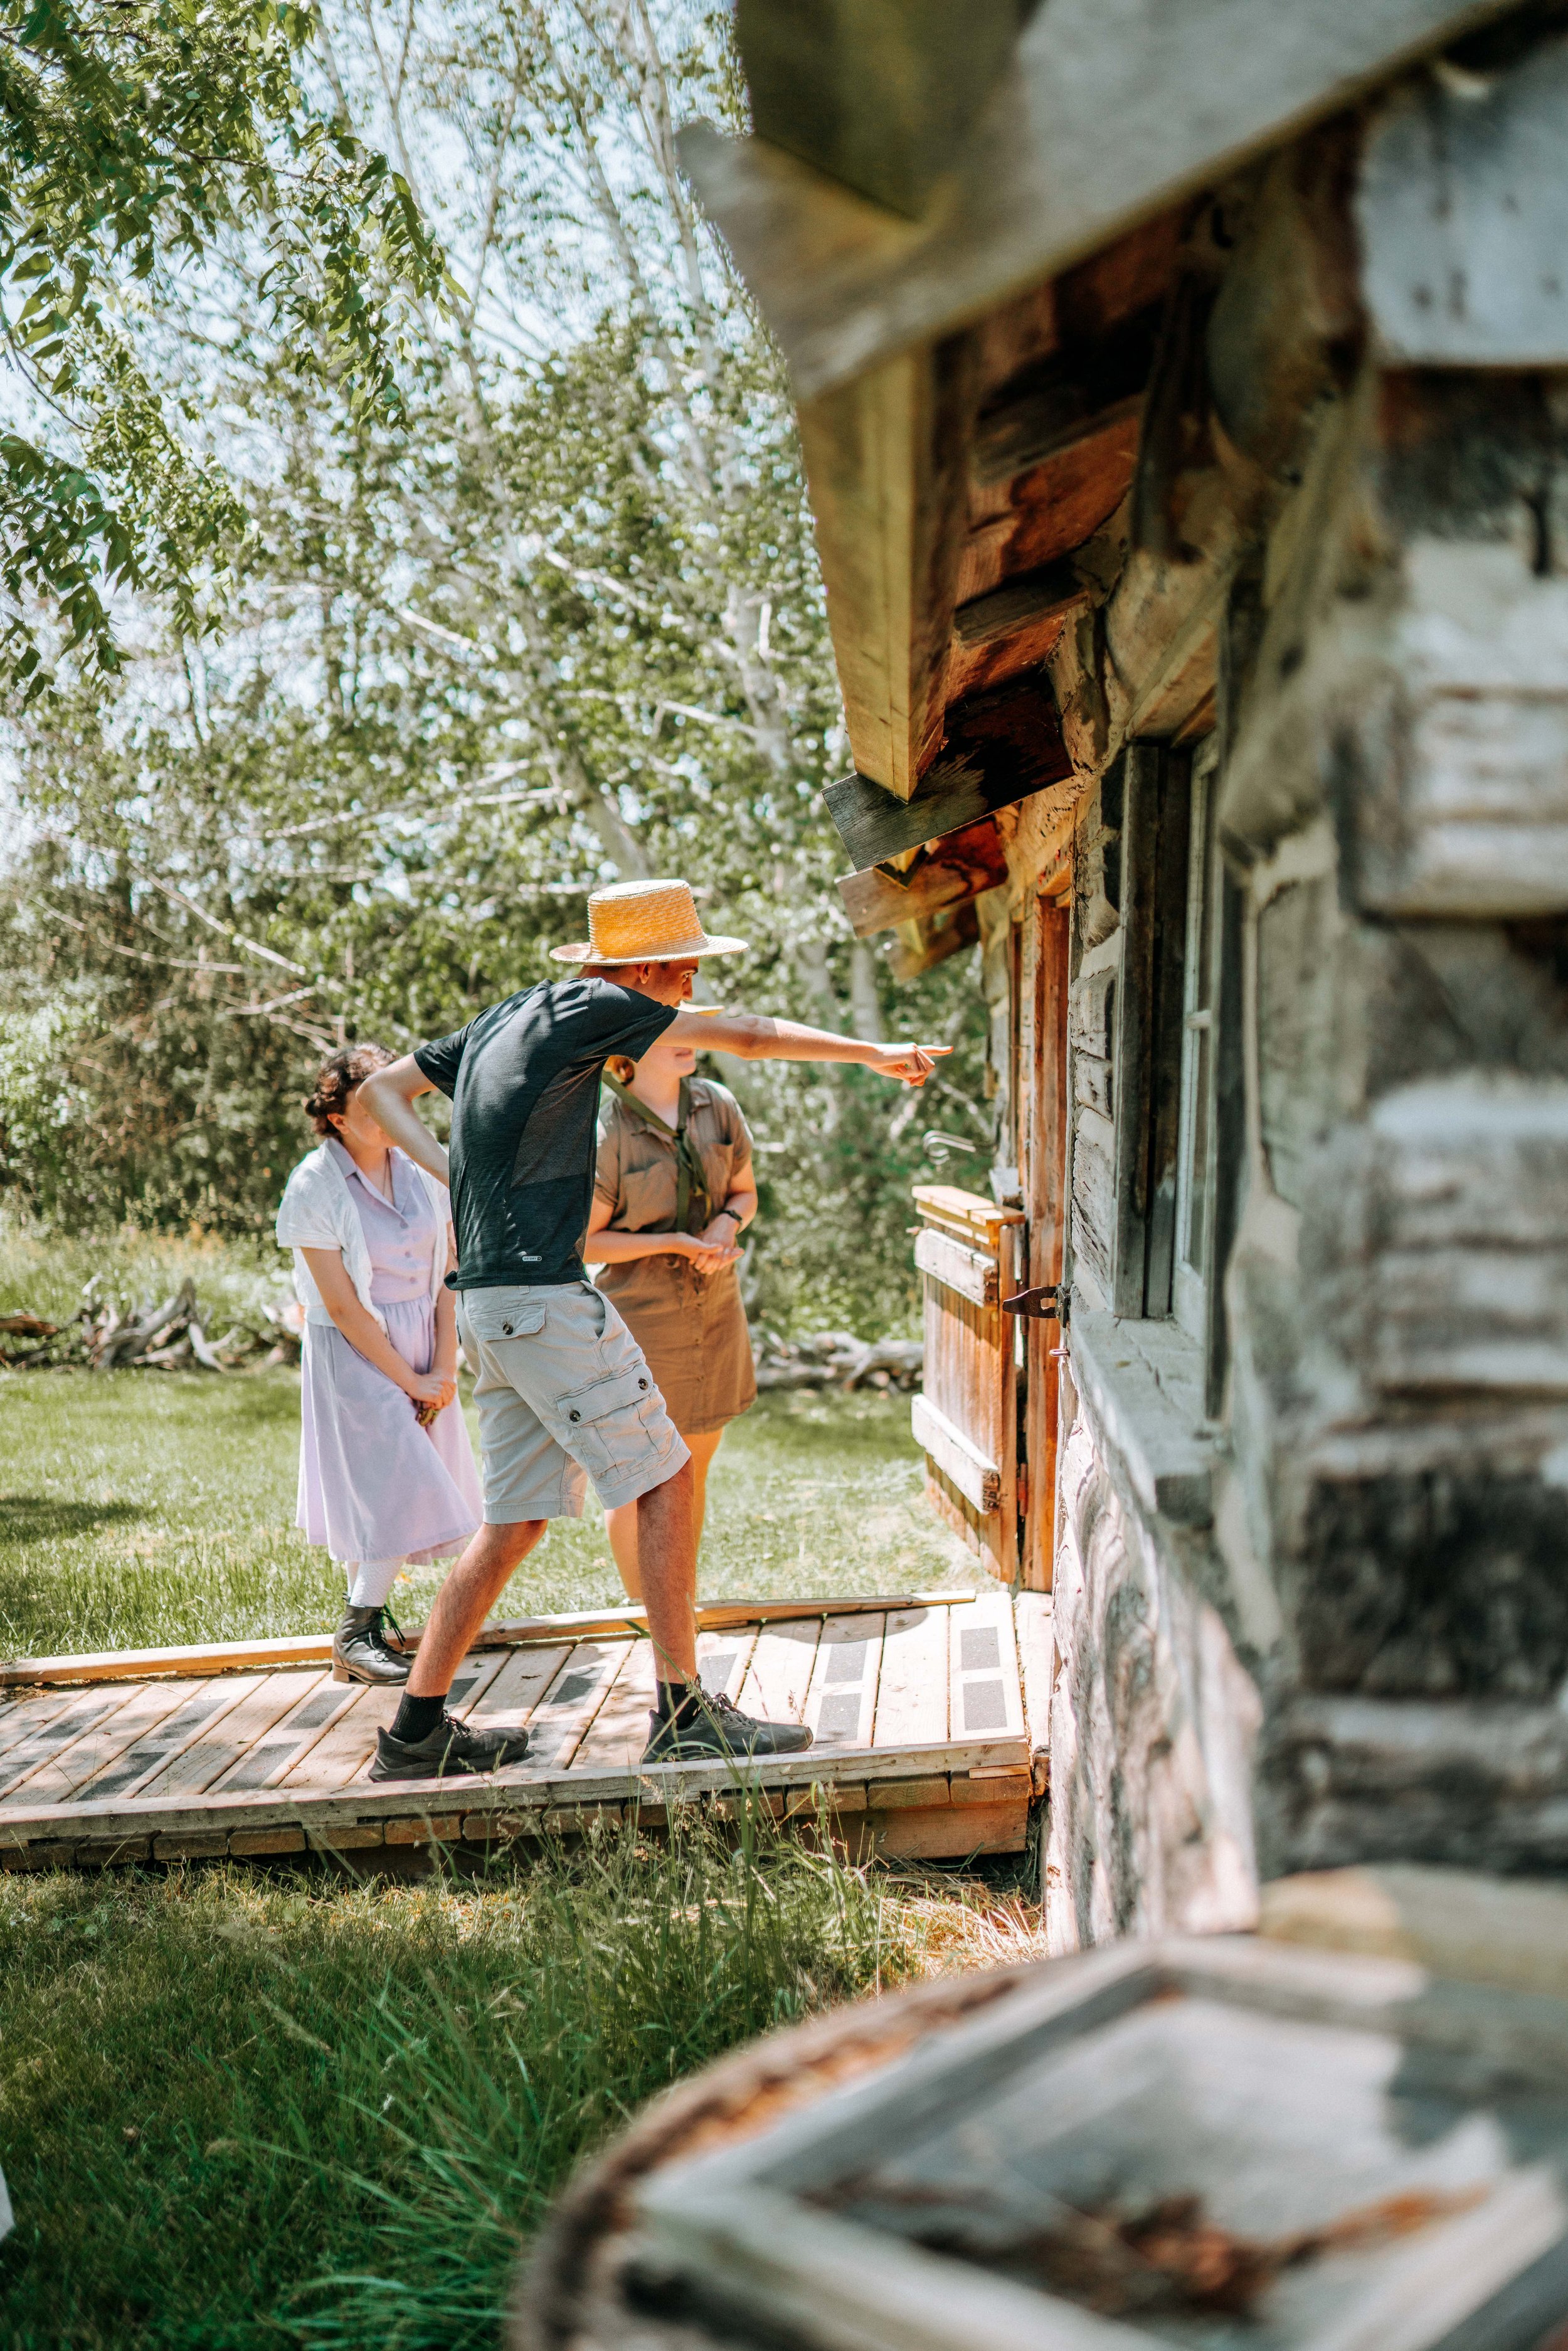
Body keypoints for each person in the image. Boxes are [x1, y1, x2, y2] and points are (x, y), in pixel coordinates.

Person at [359, 876, 946, 1781]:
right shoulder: (610, 1005)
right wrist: (874, 1052)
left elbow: (387, 1090)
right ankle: (683, 1714)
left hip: (486, 1301)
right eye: (684, 976)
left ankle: (414, 1733)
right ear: (655, 968)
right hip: (546, 1298)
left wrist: (454, 1175)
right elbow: (745, 1034)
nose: (685, 996)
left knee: (513, 1523)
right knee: (667, 1476)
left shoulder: (511, 1015)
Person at [275, 1044, 483, 1686]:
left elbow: (450, 1270)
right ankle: (355, 1631)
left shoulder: (419, 1170)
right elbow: (340, 1305)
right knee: (398, 1481)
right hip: (355, 1349)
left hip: (422, 1336)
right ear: (336, 1116)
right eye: (375, 1104)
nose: (396, 1115)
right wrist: (407, 1378)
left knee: (388, 1489)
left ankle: (363, 1642)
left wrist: (442, 1368)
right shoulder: (314, 1182)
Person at [585, 1031, 757, 1596]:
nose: (694, 1041)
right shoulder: (608, 1131)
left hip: (715, 1311)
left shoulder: (718, 1104)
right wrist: (677, 1244)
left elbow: (744, 1194)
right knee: (644, 1476)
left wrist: (723, 1227)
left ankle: (678, 1599)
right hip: (644, 1319)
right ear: (628, 1052)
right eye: (674, 1033)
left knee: (695, 1466)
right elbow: (586, 1244)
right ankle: (648, 1613)